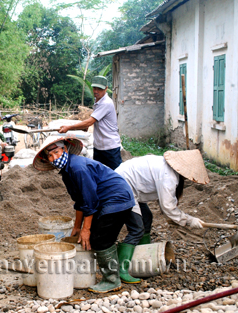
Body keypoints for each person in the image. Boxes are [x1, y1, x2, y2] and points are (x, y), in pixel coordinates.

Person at [33, 137, 135, 293]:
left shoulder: (78, 167)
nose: (54, 158)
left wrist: (86, 229)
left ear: (65, 150)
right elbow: (79, 200)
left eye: (56, 153)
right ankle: (110, 272)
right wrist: (77, 227)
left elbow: (90, 201)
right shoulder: (67, 171)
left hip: (116, 199)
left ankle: (112, 280)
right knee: (96, 235)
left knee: (99, 238)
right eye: (50, 156)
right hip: (106, 201)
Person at [114, 150, 208, 284]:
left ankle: (143, 255)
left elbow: (167, 204)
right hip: (122, 186)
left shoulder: (168, 169)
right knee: (137, 228)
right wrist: (189, 220)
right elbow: (168, 207)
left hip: (130, 185)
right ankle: (120, 269)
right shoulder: (168, 176)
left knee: (147, 218)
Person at [58, 76, 122, 170]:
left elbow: (90, 121)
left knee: (116, 174)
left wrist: (68, 127)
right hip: (99, 146)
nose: (96, 91)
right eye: (94, 88)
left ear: (106, 88)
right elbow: (96, 120)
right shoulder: (98, 101)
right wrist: (85, 126)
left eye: (99, 89)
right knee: (99, 174)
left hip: (110, 147)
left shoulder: (106, 103)